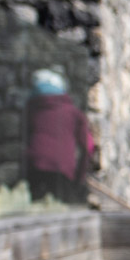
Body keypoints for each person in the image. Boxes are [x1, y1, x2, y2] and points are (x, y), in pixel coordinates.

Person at [23, 67, 94, 205]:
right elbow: (88, 146)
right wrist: (79, 178)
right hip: (61, 170)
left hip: (34, 166)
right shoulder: (73, 113)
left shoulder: (31, 110)